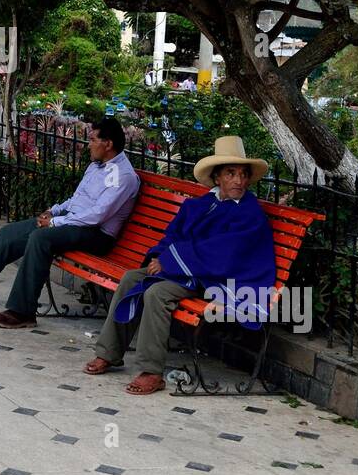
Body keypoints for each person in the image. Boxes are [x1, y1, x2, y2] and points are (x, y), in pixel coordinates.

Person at [82, 136, 276, 395]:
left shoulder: (250, 214)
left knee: (157, 293)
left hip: (219, 278)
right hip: (188, 270)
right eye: (231, 173)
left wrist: (169, 261)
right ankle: (109, 353)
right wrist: (159, 257)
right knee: (131, 278)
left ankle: (151, 371)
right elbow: (173, 235)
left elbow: (224, 253)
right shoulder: (202, 204)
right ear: (218, 177)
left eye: (243, 174)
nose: (239, 181)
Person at [0, 117, 140, 329]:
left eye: (93, 139)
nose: (88, 144)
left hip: (97, 234)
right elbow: (77, 199)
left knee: (41, 238)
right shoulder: (97, 166)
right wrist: (52, 211)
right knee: (11, 232)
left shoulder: (124, 176)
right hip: (74, 221)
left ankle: (22, 311)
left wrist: (55, 222)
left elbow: (97, 215)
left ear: (108, 144)